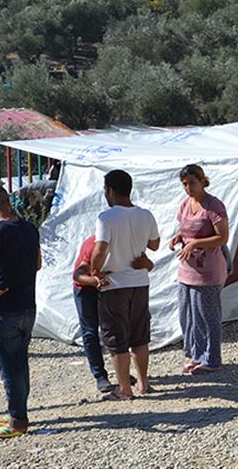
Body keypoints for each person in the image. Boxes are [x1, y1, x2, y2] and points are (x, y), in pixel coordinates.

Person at [91, 169, 160, 400]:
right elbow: (155, 244)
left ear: (110, 190)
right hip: (140, 282)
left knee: (117, 339)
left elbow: (100, 249)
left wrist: (95, 271)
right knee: (140, 336)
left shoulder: (106, 218)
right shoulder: (146, 214)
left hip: (114, 283)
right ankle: (144, 382)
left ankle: (124, 389)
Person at [0, 185, 41, 438]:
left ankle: (17, 421)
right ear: (8, 202)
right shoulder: (28, 227)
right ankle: (18, 411)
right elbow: (37, 263)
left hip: (5, 309)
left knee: (9, 366)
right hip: (28, 305)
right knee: (20, 362)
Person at [71, 235, 153, 393]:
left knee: (115, 330)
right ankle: (100, 376)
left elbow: (148, 264)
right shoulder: (93, 246)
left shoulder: (127, 242)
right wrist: (95, 281)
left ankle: (122, 375)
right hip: (86, 289)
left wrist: (145, 264)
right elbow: (78, 275)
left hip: (111, 288)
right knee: (90, 332)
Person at [170, 164, 230, 375]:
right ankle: (195, 354)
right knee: (187, 315)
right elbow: (185, 229)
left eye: (192, 183)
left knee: (207, 315)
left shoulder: (213, 206)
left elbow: (222, 237)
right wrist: (179, 238)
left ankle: (212, 359)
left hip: (208, 270)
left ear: (202, 181)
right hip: (187, 268)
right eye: (185, 184)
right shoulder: (186, 204)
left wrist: (195, 243)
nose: (188, 188)